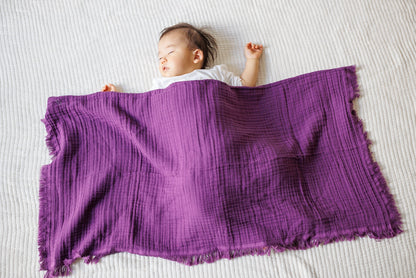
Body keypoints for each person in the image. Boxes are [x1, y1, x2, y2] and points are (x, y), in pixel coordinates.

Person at [102, 23, 263, 92]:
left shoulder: (216, 74)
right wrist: (116, 98)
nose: (163, 59)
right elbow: (143, 111)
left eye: (170, 52)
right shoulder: (160, 85)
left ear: (196, 56)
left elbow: (246, 86)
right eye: (160, 57)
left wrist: (252, 60)